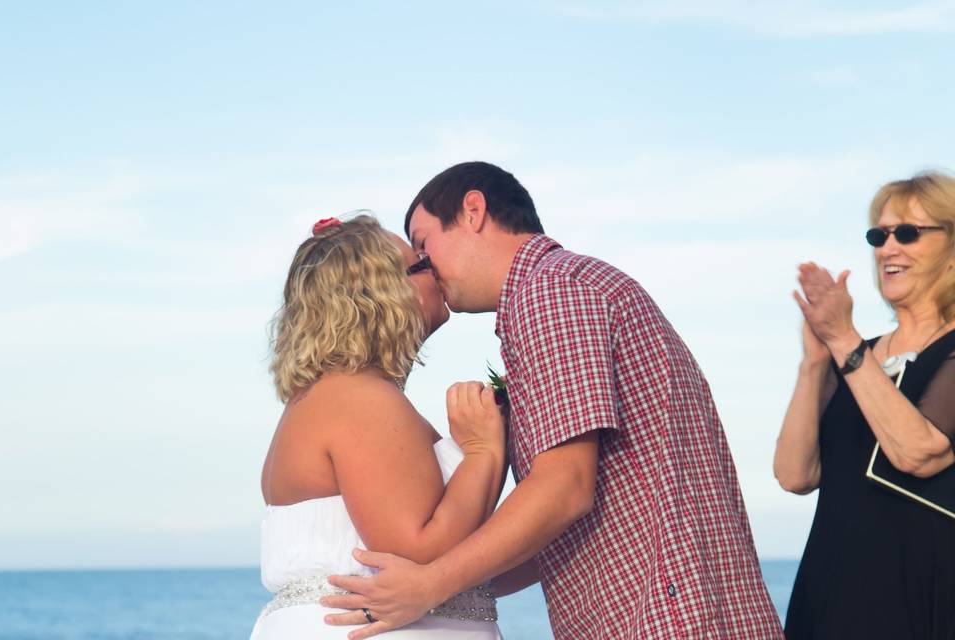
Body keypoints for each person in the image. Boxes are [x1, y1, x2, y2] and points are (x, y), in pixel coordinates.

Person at [320, 162, 783, 639]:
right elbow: (568, 523)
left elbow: (566, 487)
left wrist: (431, 585)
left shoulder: (550, 290)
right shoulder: (574, 283)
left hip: (666, 620)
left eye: (423, 244)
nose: (425, 266)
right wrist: (442, 593)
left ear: (473, 211)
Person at [250, 214, 507, 639]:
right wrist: (482, 452)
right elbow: (414, 549)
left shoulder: (330, 396)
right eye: (420, 265)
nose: (435, 268)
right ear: (382, 292)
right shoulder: (357, 397)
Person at [777, 171, 955, 639]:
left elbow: (919, 451)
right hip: (831, 590)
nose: (887, 249)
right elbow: (795, 475)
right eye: (879, 235)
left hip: (922, 597)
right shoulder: (855, 352)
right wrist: (815, 363)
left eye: (908, 233)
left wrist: (843, 340)